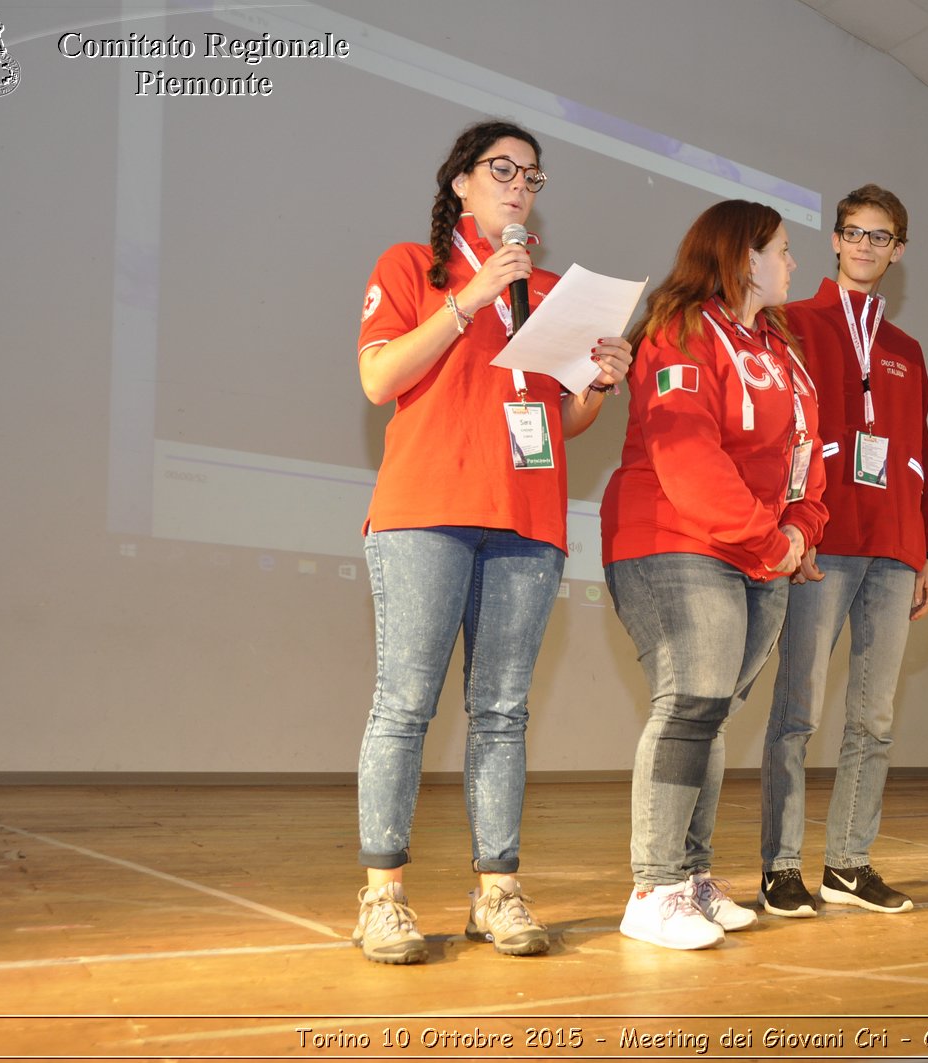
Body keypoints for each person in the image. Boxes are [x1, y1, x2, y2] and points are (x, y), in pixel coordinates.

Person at [351, 120, 632, 964]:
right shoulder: (413, 265)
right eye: (502, 169)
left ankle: (497, 891)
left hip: (528, 518)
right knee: (404, 706)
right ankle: (383, 897)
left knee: (503, 713)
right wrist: (467, 301)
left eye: (533, 176)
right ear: (461, 183)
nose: (519, 184)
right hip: (426, 512)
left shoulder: (551, 289)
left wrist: (600, 382)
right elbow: (378, 379)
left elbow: (561, 420)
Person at [602, 200, 827, 950]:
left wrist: (800, 529)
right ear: (742, 257)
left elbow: (807, 461)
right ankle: (654, 887)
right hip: (674, 538)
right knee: (691, 699)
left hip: (756, 550)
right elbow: (688, 457)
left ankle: (691, 878)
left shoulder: (781, 348)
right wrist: (772, 540)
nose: (796, 263)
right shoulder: (682, 330)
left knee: (713, 709)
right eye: (784, 250)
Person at [758, 184, 928, 918]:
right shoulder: (793, 322)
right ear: (834, 240)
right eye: (853, 233)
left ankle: (849, 863)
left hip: (894, 549)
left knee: (875, 717)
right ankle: (780, 867)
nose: (865, 246)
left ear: (899, 250)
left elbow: (920, 455)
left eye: (881, 236)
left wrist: (925, 546)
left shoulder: (906, 350)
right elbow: (780, 435)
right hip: (824, 541)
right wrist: (786, 528)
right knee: (797, 710)